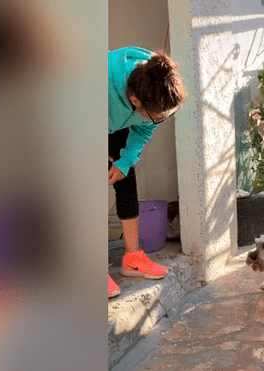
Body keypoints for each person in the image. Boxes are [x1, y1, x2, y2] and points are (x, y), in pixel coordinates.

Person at [107, 46, 186, 298]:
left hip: (114, 118)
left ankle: (132, 258)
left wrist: (124, 160)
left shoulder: (154, 84)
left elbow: (144, 128)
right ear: (135, 101)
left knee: (125, 171)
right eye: (158, 117)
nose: (161, 120)